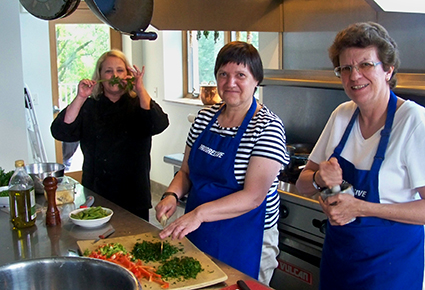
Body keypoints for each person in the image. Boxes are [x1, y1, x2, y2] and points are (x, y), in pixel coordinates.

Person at [296, 22, 425, 290]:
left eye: (366, 65)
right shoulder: (342, 115)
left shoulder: (413, 121)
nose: (354, 76)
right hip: (339, 263)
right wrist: (320, 178)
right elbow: (302, 183)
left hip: (390, 272)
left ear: (388, 69)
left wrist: (361, 208)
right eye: (346, 68)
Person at [155, 41, 288, 284]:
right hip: (199, 230)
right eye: (223, 74)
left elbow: (253, 197)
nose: (230, 83)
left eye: (240, 75)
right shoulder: (205, 117)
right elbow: (185, 171)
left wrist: (198, 215)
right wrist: (171, 195)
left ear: (256, 80)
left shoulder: (267, 127)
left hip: (247, 237)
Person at [51, 50, 169, 221]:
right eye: (108, 71)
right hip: (96, 189)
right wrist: (81, 97)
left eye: (120, 70)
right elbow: (62, 131)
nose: (114, 75)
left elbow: (159, 124)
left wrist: (140, 89)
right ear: (100, 75)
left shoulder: (139, 103)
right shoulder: (89, 105)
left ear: (128, 75)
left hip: (133, 191)